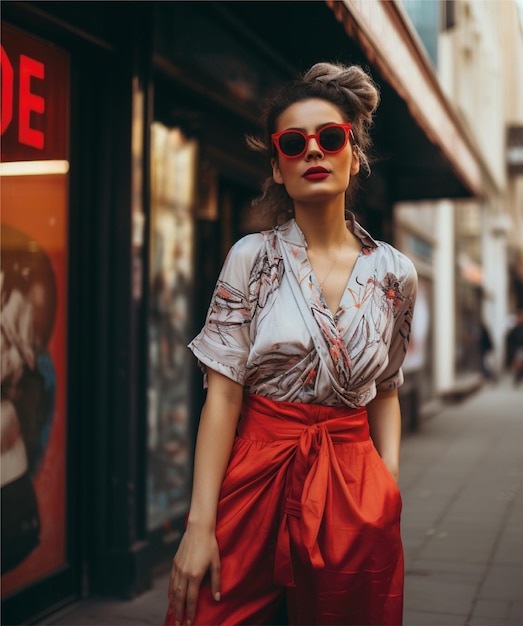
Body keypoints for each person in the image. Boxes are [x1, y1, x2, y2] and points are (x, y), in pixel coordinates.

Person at [165, 62, 418, 626]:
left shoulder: (396, 274)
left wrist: (387, 482)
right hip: (257, 472)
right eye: (294, 143)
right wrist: (199, 526)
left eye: (330, 138)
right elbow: (223, 398)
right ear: (278, 167)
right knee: (215, 613)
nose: (314, 152)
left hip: (353, 484)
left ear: (354, 154)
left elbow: (387, 388)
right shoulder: (251, 258)